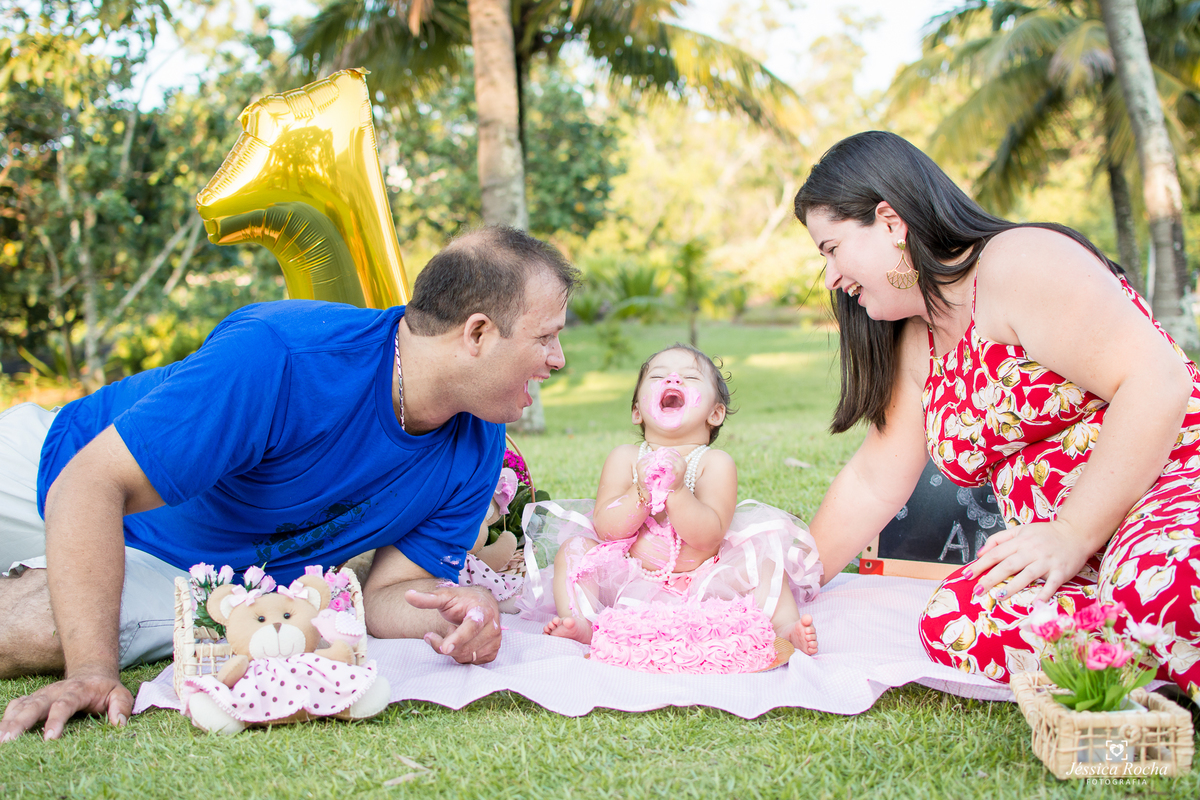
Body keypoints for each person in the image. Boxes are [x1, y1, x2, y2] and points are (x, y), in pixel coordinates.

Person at [0, 225, 578, 741]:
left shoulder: (478, 445)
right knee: (86, 641)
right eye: (546, 337)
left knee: (48, 629)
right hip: (52, 468)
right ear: (477, 333)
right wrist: (91, 674)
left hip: (185, 570)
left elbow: (388, 597)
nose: (557, 359)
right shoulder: (283, 354)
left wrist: (459, 612)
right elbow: (89, 483)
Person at [794, 131, 1200, 694]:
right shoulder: (917, 343)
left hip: (1169, 488)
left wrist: (1072, 532)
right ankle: (1148, 645)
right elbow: (873, 482)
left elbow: (1158, 380)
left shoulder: (1017, 262)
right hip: (1075, 553)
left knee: (1159, 584)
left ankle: (1145, 617)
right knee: (957, 619)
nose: (832, 277)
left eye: (832, 248)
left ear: (890, 223)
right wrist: (791, 583)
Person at [538, 344, 822, 654]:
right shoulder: (625, 458)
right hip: (630, 574)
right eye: (658, 376)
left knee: (764, 557)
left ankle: (784, 626)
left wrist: (676, 490)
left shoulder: (714, 463)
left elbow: (708, 536)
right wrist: (641, 491)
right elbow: (606, 530)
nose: (673, 379)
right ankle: (581, 620)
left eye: (690, 377)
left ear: (715, 413)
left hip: (706, 577)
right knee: (574, 550)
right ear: (636, 411)